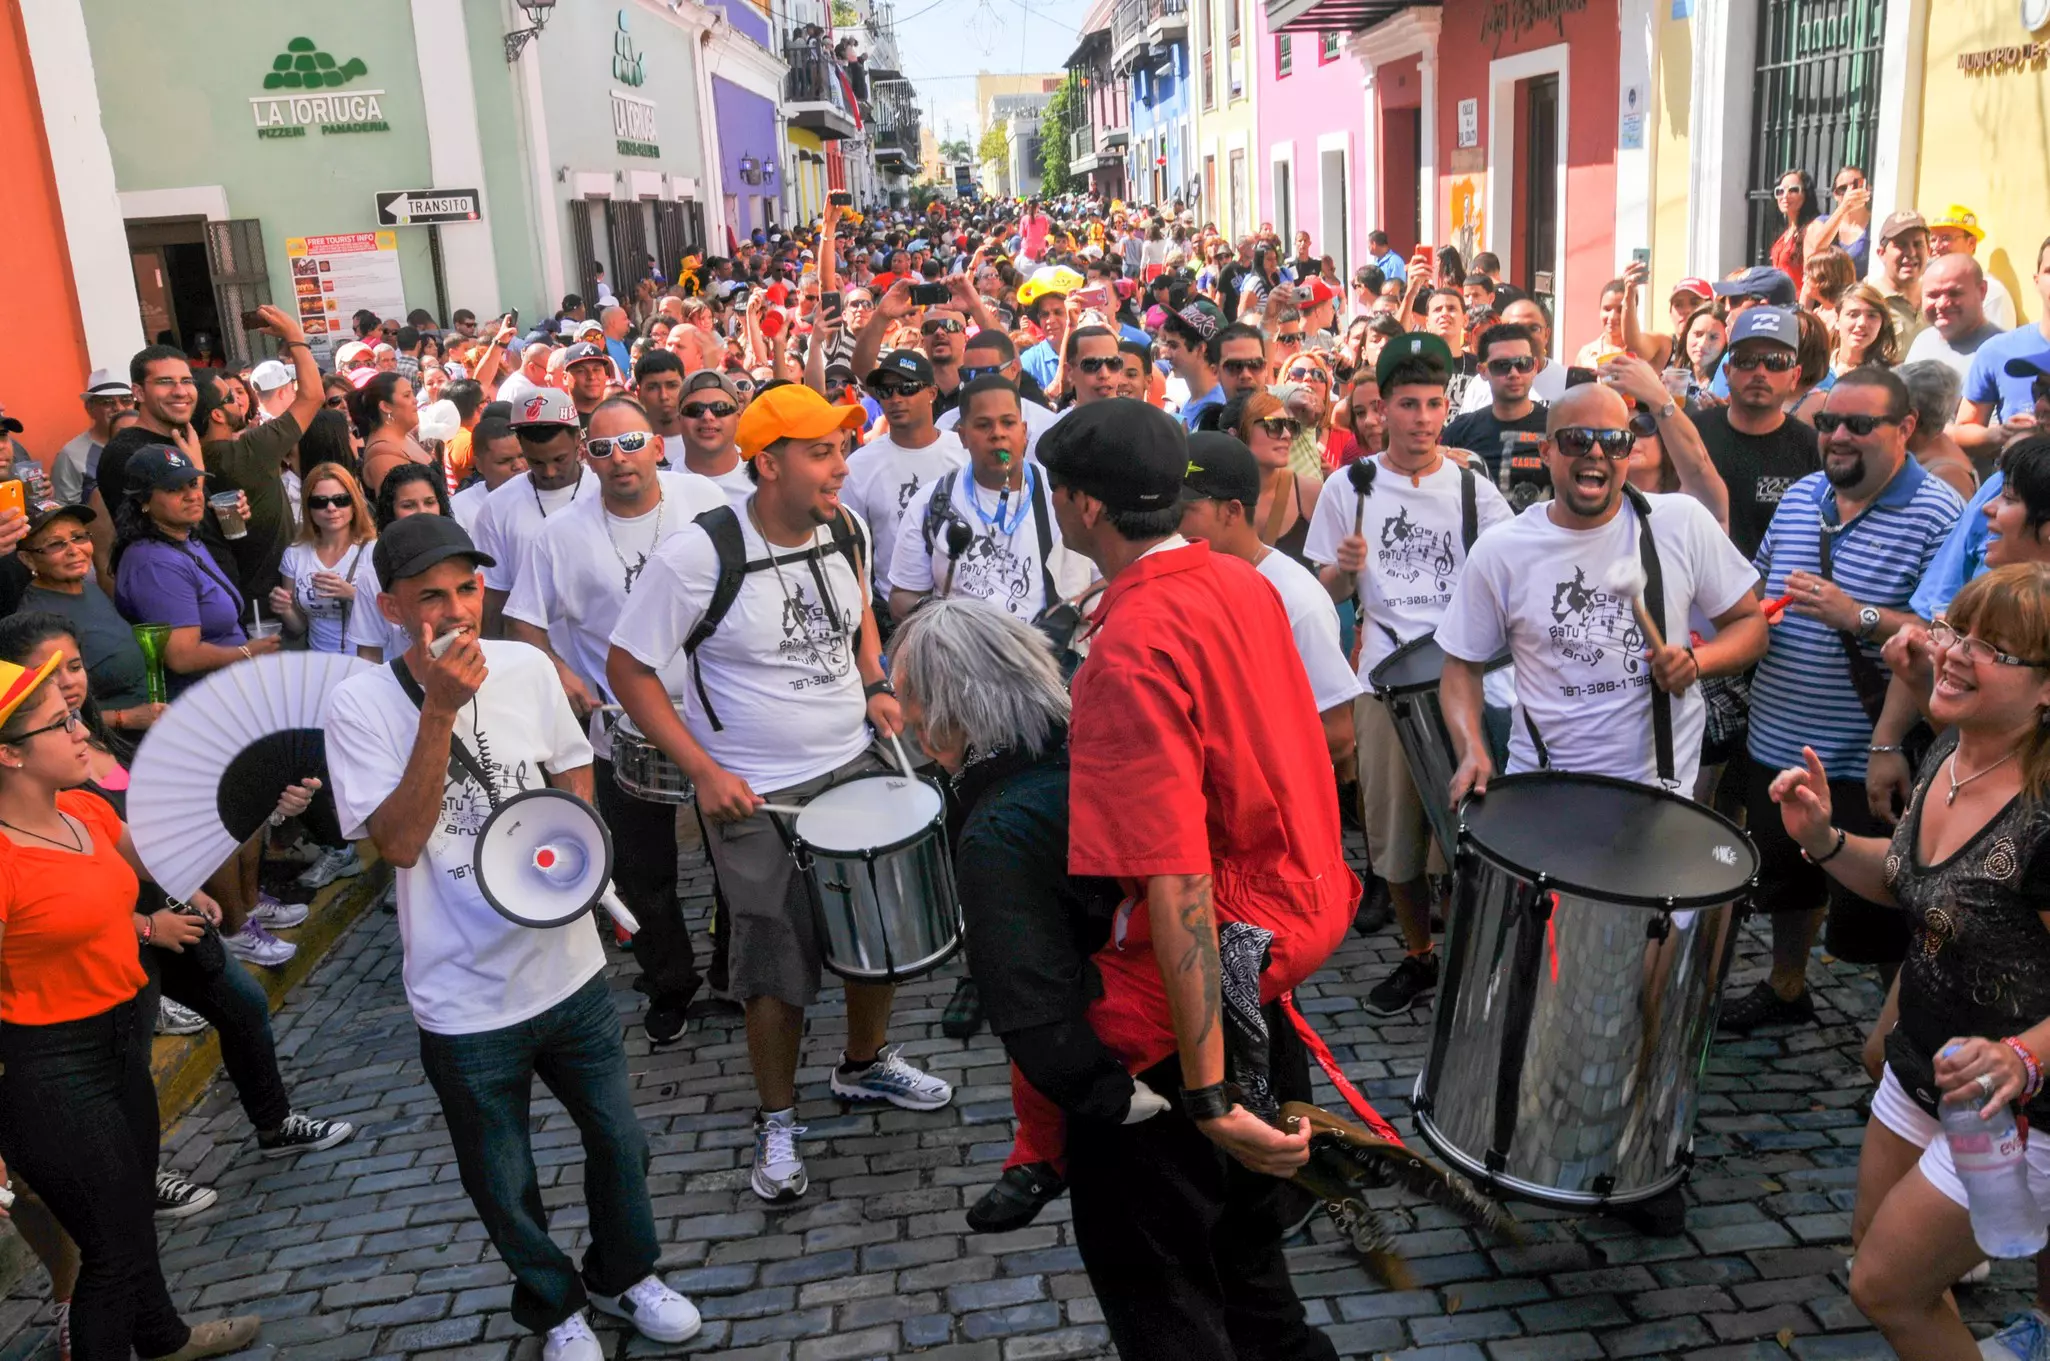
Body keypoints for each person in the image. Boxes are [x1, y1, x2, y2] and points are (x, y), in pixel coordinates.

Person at [323, 515, 701, 1361]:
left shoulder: (525, 667)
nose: (458, 610)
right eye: (431, 597)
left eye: (468, 588)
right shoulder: (357, 706)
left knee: (621, 1139)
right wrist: (438, 711)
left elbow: (571, 765)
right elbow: (398, 844)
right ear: (391, 608)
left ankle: (624, 1274)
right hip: (463, 992)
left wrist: (573, 847)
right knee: (503, 1174)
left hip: (567, 968)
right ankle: (554, 1303)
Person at [1033, 396, 1352, 1359]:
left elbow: (1176, 884)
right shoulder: (1242, 581)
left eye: (1057, 491)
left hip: (1201, 985)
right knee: (1252, 1271)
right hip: (1285, 931)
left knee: (1162, 1292)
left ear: (1086, 505)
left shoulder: (1132, 650)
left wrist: (1210, 1098)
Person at [606, 384, 954, 1206]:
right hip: (754, 796)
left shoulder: (846, 525)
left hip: (854, 762)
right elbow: (628, 667)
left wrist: (875, 682)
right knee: (774, 963)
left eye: (841, 448)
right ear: (768, 464)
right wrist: (702, 769)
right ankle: (776, 1116)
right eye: (821, 451)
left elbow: (861, 618)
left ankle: (863, 1063)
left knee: (878, 932)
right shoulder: (697, 555)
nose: (841, 466)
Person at [1768, 563, 2050, 1361]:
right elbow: (1905, 881)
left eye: (1993, 647)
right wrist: (1823, 838)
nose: (1952, 653)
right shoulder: (1951, 752)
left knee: (1885, 1285)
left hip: (2013, 1108)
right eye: (1958, 630)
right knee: (1880, 1252)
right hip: (1922, 1067)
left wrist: (2021, 1056)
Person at [0, 651, 267, 1361]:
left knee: (129, 1221)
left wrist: (259, 792)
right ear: (8, 753)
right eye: (59, 724)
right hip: (50, 1069)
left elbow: (168, 858)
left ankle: (161, 1338)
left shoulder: (83, 810)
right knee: (111, 1250)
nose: (82, 730)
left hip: (121, 1043)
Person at [1722, 366, 1966, 1031]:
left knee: (1883, 911)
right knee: (1786, 881)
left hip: (1866, 755)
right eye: (1829, 422)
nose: (1837, 436)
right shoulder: (1803, 495)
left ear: (1905, 427)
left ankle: (1902, 1043)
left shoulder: (1938, 512)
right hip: (1777, 736)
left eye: (1859, 424)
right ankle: (1786, 986)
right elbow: (1759, 586)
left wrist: (1856, 614)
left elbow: (1947, 634)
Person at [503, 397, 724, 1046]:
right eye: (602, 449)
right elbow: (523, 623)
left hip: (715, 713)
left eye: (630, 443)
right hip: (619, 728)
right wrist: (561, 673)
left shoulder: (704, 501)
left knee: (736, 855)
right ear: (586, 457)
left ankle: (737, 971)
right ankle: (670, 984)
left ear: (657, 445)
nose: (618, 458)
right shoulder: (560, 536)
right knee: (642, 871)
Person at [1306, 335, 1515, 1013]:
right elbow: (1327, 593)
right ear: (1381, 410)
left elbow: (1512, 579)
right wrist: (1344, 569)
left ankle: (1469, 960)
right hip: (1384, 681)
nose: (1422, 419)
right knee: (1394, 839)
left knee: (1471, 832)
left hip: (1464, 679)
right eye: (1407, 404)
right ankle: (1418, 955)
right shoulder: (1348, 486)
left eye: (1432, 404)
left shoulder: (1474, 489)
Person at [1438, 381, 1767, 798]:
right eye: (1577, 439)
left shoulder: (1681, 522)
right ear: (1546, 452)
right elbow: (1461, 665)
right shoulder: (1502, 550)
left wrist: (1697, 662)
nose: (1596, 452)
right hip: (1543, 790)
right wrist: (1471, 749)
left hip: (1659, 795)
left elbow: (1750, 625)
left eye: (1614, 442)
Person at [889, 376, 1088, 624]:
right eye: (984, 425)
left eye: (1008, 423)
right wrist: (943, 620)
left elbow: (1105, 578)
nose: (998, 434)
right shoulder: (931, 503)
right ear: (962, 436)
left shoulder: (1061, 496)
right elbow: (902, 596)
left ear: (1024, 432)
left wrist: (1068, 615)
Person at [15, 501, 156, 736]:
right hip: (108, 743)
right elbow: (47, 714)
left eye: (79, 537)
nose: (74, 550)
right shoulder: (39, 621)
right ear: (28, 559)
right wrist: (125, 718)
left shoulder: (87, 587)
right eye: (56, 544)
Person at [1691, 307, 1822, 560]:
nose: (1760, 372)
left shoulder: (1811, 449)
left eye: (1776, 362)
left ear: (1795, 376)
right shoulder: (1693, 433)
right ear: (1727, 371)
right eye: (1746, 360)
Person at [842, 350, 967, 598]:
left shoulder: (965, 451)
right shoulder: (859, 466)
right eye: (886, 391)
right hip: (895, 608)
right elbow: (850, 551)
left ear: (932, 393)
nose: (895, 398)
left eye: (907, 388)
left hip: (964, 604)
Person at [474, 390, 598, 634]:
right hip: (531, 651)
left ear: (577, 439)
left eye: (559, 459)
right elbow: (494, 599)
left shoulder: (604, 492)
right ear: (520, 442)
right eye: (537, 462)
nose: (549, 472)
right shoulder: (497, 507)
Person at [268, 464, 374, 657]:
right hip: (319, 663)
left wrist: (353, 594)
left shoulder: (373, 550)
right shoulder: (295, 554)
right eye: (320, 502)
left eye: (341, 500)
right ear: (308, 508)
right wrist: (285, 608)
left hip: (366, 660)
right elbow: (299, 626)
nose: (331, 508)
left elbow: (394, 616)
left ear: (354, 503)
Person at [1442, 322, 1550, 484]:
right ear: (1482, 371)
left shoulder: (1556, 428)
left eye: (1523, 363)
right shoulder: (1460, 431)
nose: (1514, 373)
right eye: (1502, 366)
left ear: (1534, 367)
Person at [1231, 391, 1321, 565]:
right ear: (1237, 434)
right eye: (1273, 425)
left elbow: (1329, 574)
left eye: (1290, 425)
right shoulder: (1216, 498)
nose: (1286, 435)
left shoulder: (1310, 493)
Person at [1904, 253, 2004, 398]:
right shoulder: (1923, 340)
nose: (1942, 304)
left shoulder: (2002, 352)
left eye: (1954, 293)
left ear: (1982, 291)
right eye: (1933, 295)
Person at [1925, 203, 2017, 330]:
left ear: (1972, 243)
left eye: (1946, 238)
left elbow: (2000, 341)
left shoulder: (1993, 294)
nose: (1936, 246)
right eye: (1933, 239)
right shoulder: (1926, 289)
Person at [53, 373, 134, 507]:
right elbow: (66, 510)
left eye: (126, 400)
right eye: (107, 402)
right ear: (90, 408)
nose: (119, 408)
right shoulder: (72, 455)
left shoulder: (149, 440)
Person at [450, 417, 527, 534]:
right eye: (504, 461)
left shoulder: (547, 495)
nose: (518, 466)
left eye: (522, 456)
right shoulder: (459, 509)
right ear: (479, 465)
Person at [1156, 305, 1225, 431]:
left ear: (1200, 349)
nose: (1167, 355)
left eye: (1174, 346)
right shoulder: (1191, 399)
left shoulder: (1217, 409)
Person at [1869, 211, 1930, 345]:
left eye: (1918, 244)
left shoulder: (1937, 299)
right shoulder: (1868, 302)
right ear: (1881, 253)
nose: (1911, 252)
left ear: (1929, 251)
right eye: (1901, 245)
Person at [1768, 169, 1820, 293]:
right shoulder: (1785, 232)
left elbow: (1810, 278)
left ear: (1806, 195)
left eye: (1793, 190)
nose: (1785, 196)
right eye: (1780, 191)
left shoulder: (1811, 229)